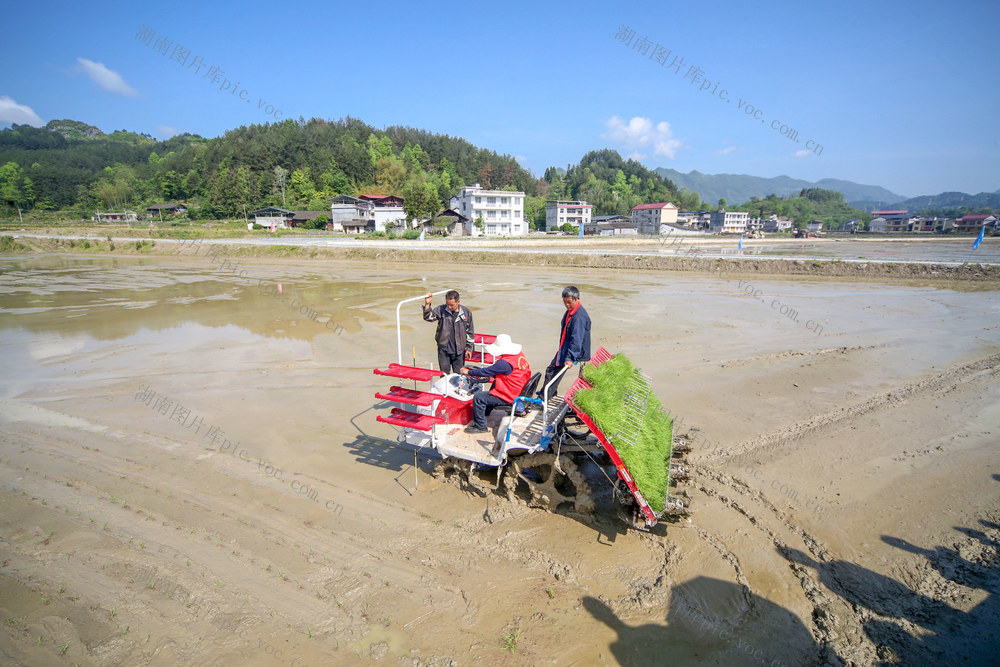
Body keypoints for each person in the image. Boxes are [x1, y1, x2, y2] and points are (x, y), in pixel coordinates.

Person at [459, 334, 531, 434]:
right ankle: (486, 412)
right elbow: (499, 372)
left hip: (510, 395)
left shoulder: (504, 363)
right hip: (518, 389)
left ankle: (480, 426)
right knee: (493, 387)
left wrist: (468, 372)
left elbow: (485, 372)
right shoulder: (518, 355)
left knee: (479, 398)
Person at [539, 285, 591, 400]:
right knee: (552, 370)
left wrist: (570, 357)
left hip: (573, 351)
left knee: (552, 371)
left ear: (577, 299)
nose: (567, 305)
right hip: (566, 348)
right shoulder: (570, 311)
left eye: (569, 302)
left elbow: (577, 339)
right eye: (564, 302)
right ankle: (549, 394)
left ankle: (544, 398)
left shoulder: (579, 316)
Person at [422, 290, 474, 374]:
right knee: (444, 376)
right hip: (444, 350)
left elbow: (470, 332)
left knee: (459, 376)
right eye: (447, 304)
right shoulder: (441, 310)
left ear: (458, 302)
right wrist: (427, 304)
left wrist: (469, 348)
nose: (449, 307)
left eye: (452, 305)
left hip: (459, 351)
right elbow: (428, 317)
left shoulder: (466, 313)